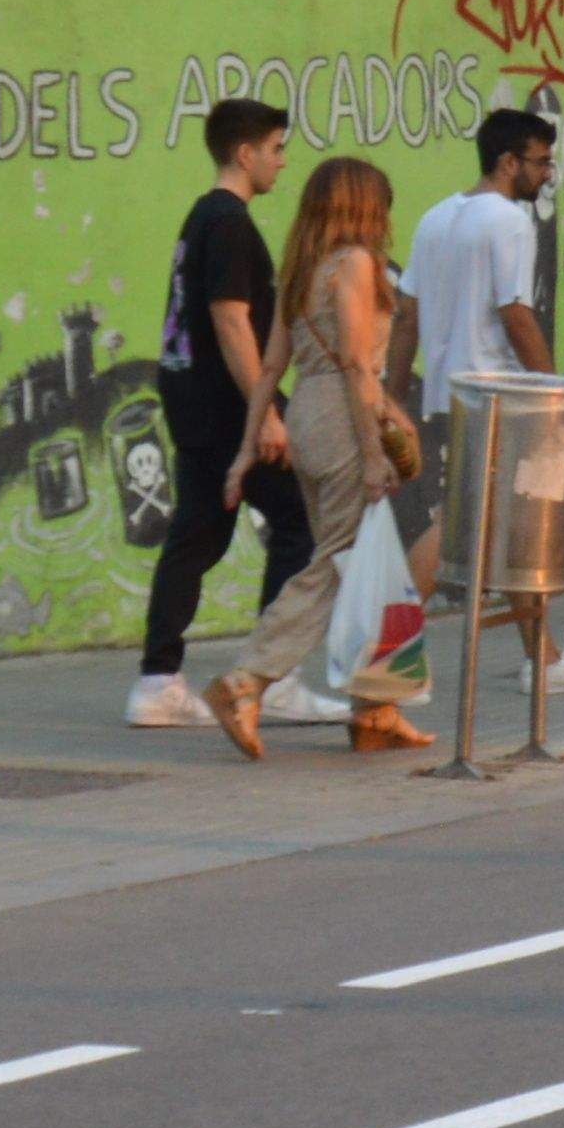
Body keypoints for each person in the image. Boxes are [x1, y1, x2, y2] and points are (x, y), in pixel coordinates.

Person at [187, 155, 431, 760]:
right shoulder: (355, 264)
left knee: (355, 566)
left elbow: (271, 367)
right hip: (345, 420)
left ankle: (375, 711)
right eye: (383, 205)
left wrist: (248, 452)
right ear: (363, 207)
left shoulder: (303, 270)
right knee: (335, 565)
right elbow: (355, 363)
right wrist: (374, 452)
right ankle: (247, 681)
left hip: (308, 419)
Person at [398, 109, 564, 699]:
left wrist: (393, 395)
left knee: (512, 532)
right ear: (508, 162)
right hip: (497, 398)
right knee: (457, 530)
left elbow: (406, 315)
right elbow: (515, 312)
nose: (549, 174)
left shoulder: (435, 219)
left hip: (452, 397)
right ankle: (385, 647)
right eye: (542, 162)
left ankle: (543, 662)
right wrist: (555, 394)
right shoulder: (509, 222)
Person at [127, 100, 310, 732]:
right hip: (228, 405)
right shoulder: (230, 222)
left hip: (191, 401)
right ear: (246, 154)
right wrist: (264, 415)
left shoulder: (202, 217)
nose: (283, 161)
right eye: (277, 148)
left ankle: (157, 683)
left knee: (197, 536)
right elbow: (231, 320)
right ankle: (272, 677)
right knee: (301, 520)